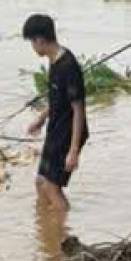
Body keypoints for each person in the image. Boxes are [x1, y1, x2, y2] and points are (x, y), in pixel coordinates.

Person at [23, 14, 87, 213]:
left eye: (31, 42)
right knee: (40, 182)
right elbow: (57, 97)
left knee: (51, 187)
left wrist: (73, 151)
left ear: (39, 39)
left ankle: (63, 234)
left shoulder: (68, 67)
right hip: (56, 130)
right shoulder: (54, 60)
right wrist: (41, 118)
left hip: (68, 134)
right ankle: (46, 231)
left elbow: (79, 110)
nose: (32, 47)